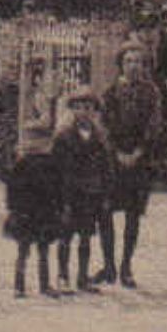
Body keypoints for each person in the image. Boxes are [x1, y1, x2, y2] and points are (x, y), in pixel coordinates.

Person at [96, 38, 162, 288]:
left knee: (133, 214)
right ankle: (109, 265)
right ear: (120, 65)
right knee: (105, 212)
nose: (134, 66)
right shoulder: (110, 93)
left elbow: (154, 125)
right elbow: (103, 127)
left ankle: (126, 266)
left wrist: (139, 151)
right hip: (113, 162)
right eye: (128, 61)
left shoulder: (151, 93)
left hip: (140, 161)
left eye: (139, 62)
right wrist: (116, 153)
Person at [51, 89, 113, 294]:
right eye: (79, 107)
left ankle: (82, 276)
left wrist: (105, 194)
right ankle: (62, 276)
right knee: (66, 235)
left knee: (86, 236)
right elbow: (58, 168)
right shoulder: (64, 137)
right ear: (72, 110)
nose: (84, 112)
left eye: (88, 108)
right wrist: (60, 196)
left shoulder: (100, 138)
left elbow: (106, 168)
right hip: (70, 193)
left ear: (95, 111)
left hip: (92, 192)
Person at [3, 143, 64, 299]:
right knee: (37, 250)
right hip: (36, 212)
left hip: (33, 212)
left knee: (26, 250)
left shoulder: (26, 163)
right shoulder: (48, 164)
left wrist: (14, 208)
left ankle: (21, 286)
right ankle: (29, 285)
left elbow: (11, 189)